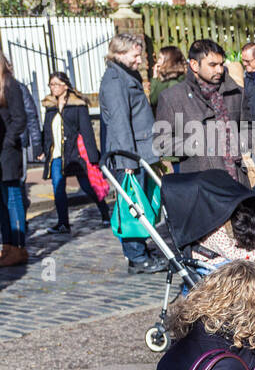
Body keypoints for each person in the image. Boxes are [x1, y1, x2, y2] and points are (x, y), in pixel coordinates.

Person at [99, 32, 165, 273]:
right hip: (131, 155)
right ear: (119, 54)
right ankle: (136, 256)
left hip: (140, 151)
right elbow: (119, 123)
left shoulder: (127, 74)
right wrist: (127, 159)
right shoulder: (115, 80)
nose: (140, 60)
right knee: (132, 206)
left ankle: (140, 249)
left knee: (141, 202)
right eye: (135, 55)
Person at [154, 39, 252, 179]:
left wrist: (235, 141)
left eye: (221, 64)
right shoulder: (172, 98)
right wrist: (198, 142)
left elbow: (250, 131)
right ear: (194, 65)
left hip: (236, 181)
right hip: (199, 183)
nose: (219, 70)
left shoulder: (236, 93)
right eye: (212, 65)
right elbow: (161, 143)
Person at [41, 71, 111, 234]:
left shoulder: (77, 104)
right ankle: (63, 223)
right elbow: (47, 130)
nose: (53, 88)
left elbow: (87, 131)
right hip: (57, 155)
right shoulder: (49, 106)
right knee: (58, 188)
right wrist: (43, 150)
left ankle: (104, 211)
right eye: (51, 84)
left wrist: (93, 156)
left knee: (87, 186)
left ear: (65, 85)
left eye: (56, 84)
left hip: (75, 154)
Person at [0, 53, 28, 267]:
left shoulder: (10, 85)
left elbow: (20, 119)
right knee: (2, 203)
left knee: (12, 197)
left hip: (8, 153)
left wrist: (8, 141)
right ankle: (7, 245)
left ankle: (18, 246)